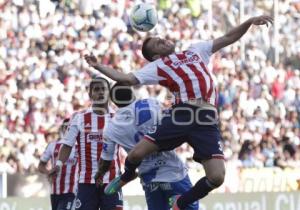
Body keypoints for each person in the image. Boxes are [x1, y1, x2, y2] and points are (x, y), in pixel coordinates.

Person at [85, 15, 273, 209]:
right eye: (158, 43)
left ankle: (179, 203)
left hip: (206, 119)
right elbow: (126, 78)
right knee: (134, 156)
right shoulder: (158, 66)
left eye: (160, 38)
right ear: (156, 56)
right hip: (181, 114)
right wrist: (98, 66)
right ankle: (127, 175)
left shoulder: (196, 50)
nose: (163, 39)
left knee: (217, 177)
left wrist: (249, 21)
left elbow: (228, 38)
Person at [95, 83, 198, 210]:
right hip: (173, 172)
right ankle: (176, 199)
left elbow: (106, 160)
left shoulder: (111, 128)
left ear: (114, 102)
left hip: (149, 179)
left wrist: (100, 173)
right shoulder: (151, 103)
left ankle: (128, 175)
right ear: (132, 94)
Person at [49, 76, 123, 210]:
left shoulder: (118, 117)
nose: (100, 92)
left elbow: (129, 145)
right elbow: (67, 145)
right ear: (90, 94)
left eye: (103, 89)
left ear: (109, 92)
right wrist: (59, 164)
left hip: (112, 181)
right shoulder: (79, 118)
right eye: (96, 89)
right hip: (86, 182)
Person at [38, 118, 78, 210]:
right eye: (65, 127)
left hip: (71, 191)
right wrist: (48, 172)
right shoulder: (52, 145)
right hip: (55, 191)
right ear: (62, 129)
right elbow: (41, 165)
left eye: (69, 127)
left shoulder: (78, 146)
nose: (67, 129)